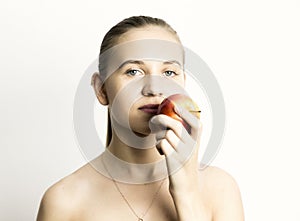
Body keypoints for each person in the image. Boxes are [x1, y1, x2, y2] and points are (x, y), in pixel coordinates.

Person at [37, 15, 244, 221]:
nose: (154, 88)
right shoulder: (64, 201)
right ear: (101, 89)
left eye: (169, 72)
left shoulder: (220, 190)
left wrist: (186, 194)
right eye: (133, 71)